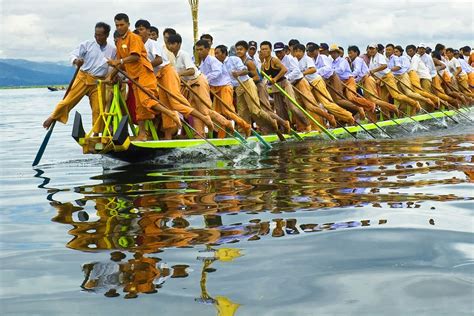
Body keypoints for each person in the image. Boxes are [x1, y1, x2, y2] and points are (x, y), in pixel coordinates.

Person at [106, 13, 179, 141]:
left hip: (144, 73)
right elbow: (119, 63)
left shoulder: (134, 38)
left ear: (128, 25)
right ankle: (143, 134)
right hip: (134, 77)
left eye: (122, 24)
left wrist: (120, 62)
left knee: (146, 101)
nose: (119, 27)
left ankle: (170, 113)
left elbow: (135, 57)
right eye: (117, 25)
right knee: (139, 107)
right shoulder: (120, 42)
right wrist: (109, 76)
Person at [43, 22, 116, 135]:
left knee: (98, 109)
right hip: (83, 77)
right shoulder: (87, 44)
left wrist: (112, 78)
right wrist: (76, 61)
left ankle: (96, 133)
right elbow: (73, 55)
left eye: (100, 35)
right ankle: (52, 117)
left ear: (107, 35)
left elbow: (113, 67)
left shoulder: (112, 49)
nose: (97, 37)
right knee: (68, 101)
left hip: (98, 82)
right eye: (95, 34)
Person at [168, 34, 232, 136]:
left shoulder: (183, 54)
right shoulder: (175, 58)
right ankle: (199, 134)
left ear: (179, 44)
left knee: (204, 110)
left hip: (198, 81)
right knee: (194, 110)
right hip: (190, 84)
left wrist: (177, 74)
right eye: (168, 44)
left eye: (173, 44)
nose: (170, 46)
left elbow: (191, 71)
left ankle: (226, 123)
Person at [196, 40, 251, 137]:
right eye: (197, 50)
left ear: (208, 50)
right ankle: (221, 136)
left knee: (226, 111)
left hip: (225, 87)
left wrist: (205, 79)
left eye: (201, 49)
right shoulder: (202, 63)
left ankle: (245, 126)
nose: (199, 52)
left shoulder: (212, 60)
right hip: (216, 89)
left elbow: (217, 72)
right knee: (218, 114)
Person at [220, 43, 278, 133]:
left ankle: (272, 121)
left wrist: (238, 73)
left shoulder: (235, 59)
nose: (239, 51)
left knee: (255, 110)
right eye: (237, 49)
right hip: (238, 87)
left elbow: (246, 71)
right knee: (242, 113)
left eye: (241, 49)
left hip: (247, 84)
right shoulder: (221, 64)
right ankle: (244, 132)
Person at [263, 41, 311, 132]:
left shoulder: (289, 59)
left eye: (280, 52)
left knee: (292, 107)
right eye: (277, 52)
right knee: (279, 110)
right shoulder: (268, 62)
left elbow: (293, 71)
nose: (279, 54)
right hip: (276, 86)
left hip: (286, 83)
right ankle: (288, 129)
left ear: (285, 51)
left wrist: (281, 78)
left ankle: (307, 124)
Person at [305, 43, 355, 124]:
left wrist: (315, 72)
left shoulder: (324, 58)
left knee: (337, 100)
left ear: (317, 51)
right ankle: (336, 121)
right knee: (326, 103)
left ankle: (356, 111)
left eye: (312, 51)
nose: (310, 53)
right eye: (308, 51)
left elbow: (329, 69)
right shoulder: (311, 60)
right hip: (324, 81)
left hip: (334, 78)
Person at [367, 42, 420, 112]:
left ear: (376, 49)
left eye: (373, 49)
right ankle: (387, 118)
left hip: (388, 77)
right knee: (383, 99)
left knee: (396, 96)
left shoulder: (379, 56)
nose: (371, 50)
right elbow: (373, 72)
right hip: (382, 79)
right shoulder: (371, 58)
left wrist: (374, 71)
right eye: (370, 49)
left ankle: (414, 103)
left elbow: (384, 66)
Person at [347, 45, 397, 118]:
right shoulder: (354, 61)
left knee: (373, 100)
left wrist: (350, 78)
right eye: (348, 53)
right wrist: (355, 81)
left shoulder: (358, 60)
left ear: (356, 52)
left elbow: (357, 71)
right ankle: (373, 120)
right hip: (364, 80)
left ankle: (393, 107)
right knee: (368, 101)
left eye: (351, 53)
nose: (349, 55)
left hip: (368, 80)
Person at [329, 44, 376, 114]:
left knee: (351, 97)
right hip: (340, 83)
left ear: (338, 53)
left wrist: (330, 71)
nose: (333, 54)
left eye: (335, 52)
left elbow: (341, 70)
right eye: (331, 53)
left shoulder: (343, 61)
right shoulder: (332, 63)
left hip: (349, 80)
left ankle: (369, 105)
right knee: (337, 99)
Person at [386, 43, 433, 112]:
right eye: (387, 50)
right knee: (401, 97)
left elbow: (405, 68)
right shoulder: (391, 59)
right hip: (397, 78)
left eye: (396, 51)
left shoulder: (404, 58)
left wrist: (389, 71)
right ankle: (404, 114)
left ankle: (427, 103)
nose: (395, 53)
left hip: (406, 76)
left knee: (410, 93)